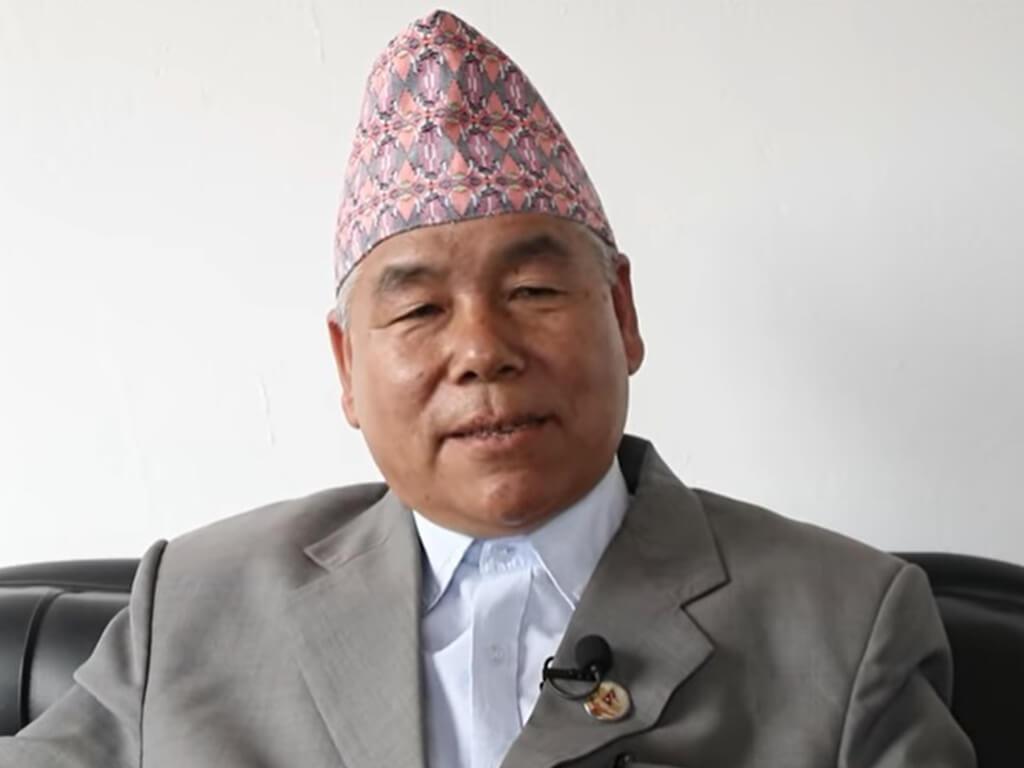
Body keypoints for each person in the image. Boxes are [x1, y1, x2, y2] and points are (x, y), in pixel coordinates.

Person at [0, 9, 975, 768]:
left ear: (623, 313)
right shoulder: (193, 606)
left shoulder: (843, 624)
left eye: (533, 291)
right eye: (420, 309)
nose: (481, 350)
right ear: (346, 367)